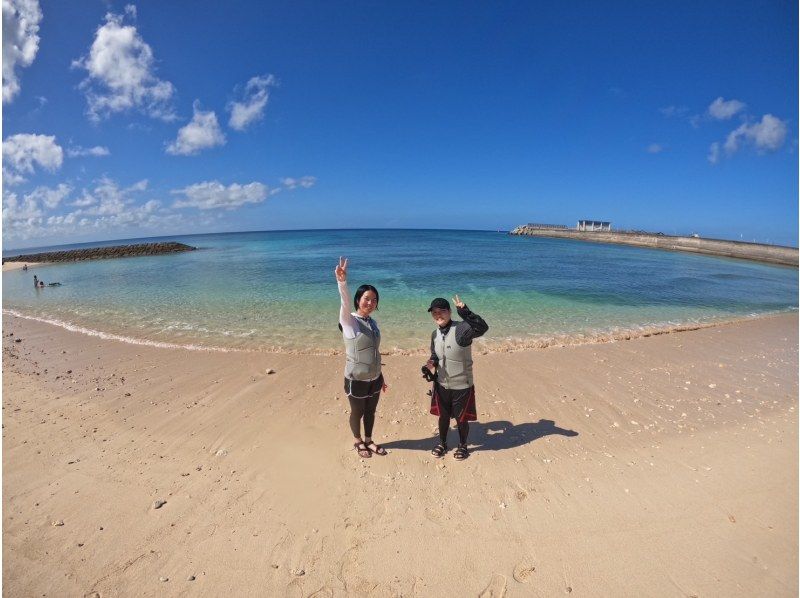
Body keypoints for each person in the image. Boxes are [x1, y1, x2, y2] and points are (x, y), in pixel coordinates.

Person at [335, 257, 388, 458]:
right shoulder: (350, 323)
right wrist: (342, 282)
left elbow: (374, 352)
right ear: (358, 300)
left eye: (374, 299)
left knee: (371, 412)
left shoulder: (373, 323)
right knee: (357, 412)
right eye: (367, 298)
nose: (370, 302)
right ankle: (358, 442)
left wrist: (381, 377)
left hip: (374, 378)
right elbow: (344, 303)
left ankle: (369, 440)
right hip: (355, 379)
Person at [425, 295, 488, 460]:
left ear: (449, 312)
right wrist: (429, 365)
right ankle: (443, 443)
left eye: (442, 311)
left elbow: (482, 327)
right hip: (441, 384)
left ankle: (463, 446)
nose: (438, 315)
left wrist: (464, 310)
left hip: (462, 385)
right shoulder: (434, 334)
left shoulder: (461, 329)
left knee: (461, 419)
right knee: (443, 417)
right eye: (434, 312)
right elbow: (435, 355)